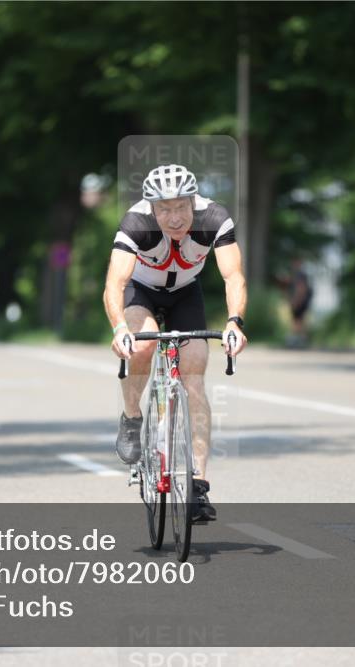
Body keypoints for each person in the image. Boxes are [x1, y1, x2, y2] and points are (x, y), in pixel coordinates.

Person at [103, 164, 248, 523]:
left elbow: (233, 277)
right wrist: (120, 327)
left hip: (186, 294)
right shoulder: (136, 224)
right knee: (142, 346)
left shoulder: (214, 218)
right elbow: (114, 285)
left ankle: (198, 484)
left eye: (181, 206)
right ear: (151, 208)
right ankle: (132, 416)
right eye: (164, 208)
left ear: (193, 202)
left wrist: (234, 323)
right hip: (142, 292)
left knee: (194, 373)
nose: (174, 217)